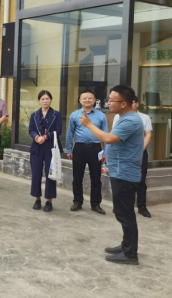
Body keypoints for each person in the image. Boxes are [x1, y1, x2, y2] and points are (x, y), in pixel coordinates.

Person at [80, 85, 144, 265]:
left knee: (125, 214)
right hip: (121, 171)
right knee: (123, 212)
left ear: (123, 103)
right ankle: (126, 245)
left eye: (111, 100)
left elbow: (108, 139)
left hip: (125, 174)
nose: (108, 102)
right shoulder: (124, 117)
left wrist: (89, 125)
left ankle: (130, 254)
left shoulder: (130, 120)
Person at [66, 89, 107, 214]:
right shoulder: (74, 115)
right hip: (79, 148)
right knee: (77, 177)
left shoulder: (101, 116)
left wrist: (106, 152)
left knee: (96, 178)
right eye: (84, 98)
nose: (87, 100)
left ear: (94, 100)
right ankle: (77, 202)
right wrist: (69, 149)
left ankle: (96, 204)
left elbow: (106, 135)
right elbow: (70, 133)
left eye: (90, 98)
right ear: (80, 100)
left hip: (95, 148)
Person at [113, 96, 152, 218]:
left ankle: (142, 206)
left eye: (133, 102)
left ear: (137, 104)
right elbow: (114, 134)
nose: (130, 104)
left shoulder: (144, 117)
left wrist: (140, 150)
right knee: (121, 179)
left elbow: (148, 134)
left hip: (140, 153)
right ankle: (119, 206)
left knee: (141, 179)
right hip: (122, 153)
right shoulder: (118, 116)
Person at [28, 90, 62, 213]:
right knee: (36, 173)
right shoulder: (34, 115)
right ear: (39, 101)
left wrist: (46, 137)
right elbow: (31, 129)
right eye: (43, 99)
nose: (45, 101)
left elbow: (58, 130)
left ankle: (49, 201)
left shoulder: (56, 114)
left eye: (47, 99)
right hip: (37, 146)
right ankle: (37, 199)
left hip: (50, 147)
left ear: (51, 100)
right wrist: (36, 137)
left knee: (50, 174)